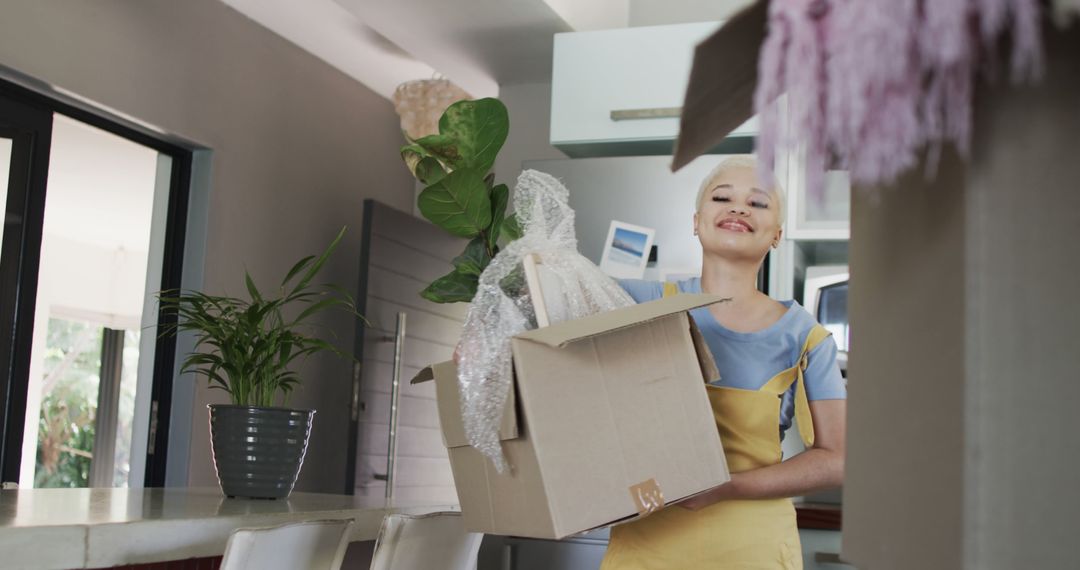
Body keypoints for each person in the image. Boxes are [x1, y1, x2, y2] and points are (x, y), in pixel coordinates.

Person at [601, 155, 846, 570]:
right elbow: (539, 299)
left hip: (753, 549)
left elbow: (837, 459)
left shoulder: (805, 337)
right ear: (696, 222)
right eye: (722, 197)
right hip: (647, 547)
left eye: (758, 203)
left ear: (777, 235)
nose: (738, 208)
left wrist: (724, 487)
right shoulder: (635, 302)